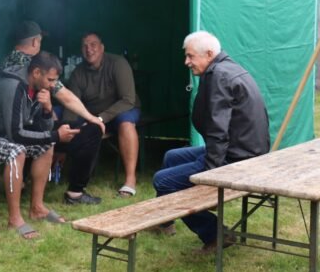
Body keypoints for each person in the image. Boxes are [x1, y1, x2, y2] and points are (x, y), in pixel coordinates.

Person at [0, 52, 104, 240]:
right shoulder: (13, 86)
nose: (53, 85)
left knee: (47, 144)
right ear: (36, 72)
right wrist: (56, 135)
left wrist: (47, 110)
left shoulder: (36, 89)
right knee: (16, 151)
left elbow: (41, 128)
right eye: (50, 79)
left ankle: (37, 208)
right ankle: (14, 220)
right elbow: (16, 134)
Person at [152, 31, 269, 253]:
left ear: (208, 54)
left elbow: (218, 129)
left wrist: (210, 174)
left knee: (164, 181)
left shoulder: (220, 76)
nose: (186, 62)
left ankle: (216, 234)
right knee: (171, 156)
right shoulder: (225, 68)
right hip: (242, 149)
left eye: (190, 56)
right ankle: (165, 220)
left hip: (237, 158)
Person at [62, 32, 141, 197]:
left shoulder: (118, 63)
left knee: (125, 122)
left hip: (122, 109)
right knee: (62, 116)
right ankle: (66, 170)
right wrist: (67, 129)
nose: (88, 49)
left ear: (102, 48)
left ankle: (130, 180)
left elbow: (128, 100)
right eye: (84, 46)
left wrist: (100, 119)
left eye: (93, 45)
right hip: (93, 114)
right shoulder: (78, 72)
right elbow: (71, 103)